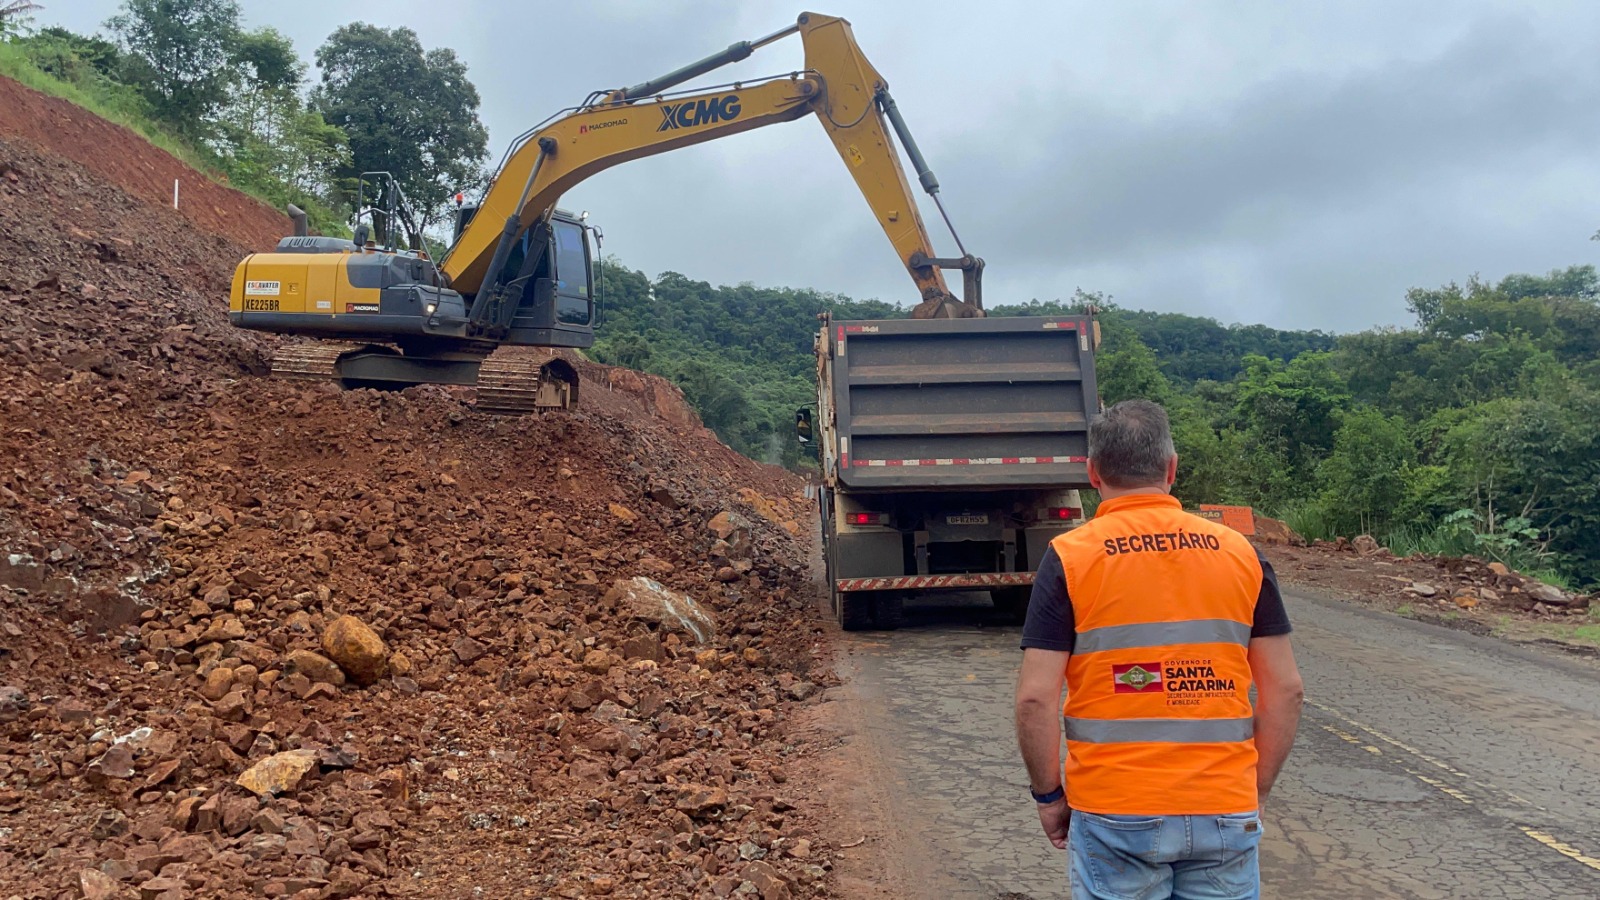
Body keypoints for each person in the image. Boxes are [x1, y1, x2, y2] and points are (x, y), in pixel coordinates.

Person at [1013, 400, 1304, 900]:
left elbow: (1035, 699)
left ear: (1093, 473)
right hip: (1224, 805)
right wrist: (1254, 791)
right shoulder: (1242, 553)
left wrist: (1049, 796)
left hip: (1114, 809)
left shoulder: (1070, 557)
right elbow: (1287, 690)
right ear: (1172, 467)